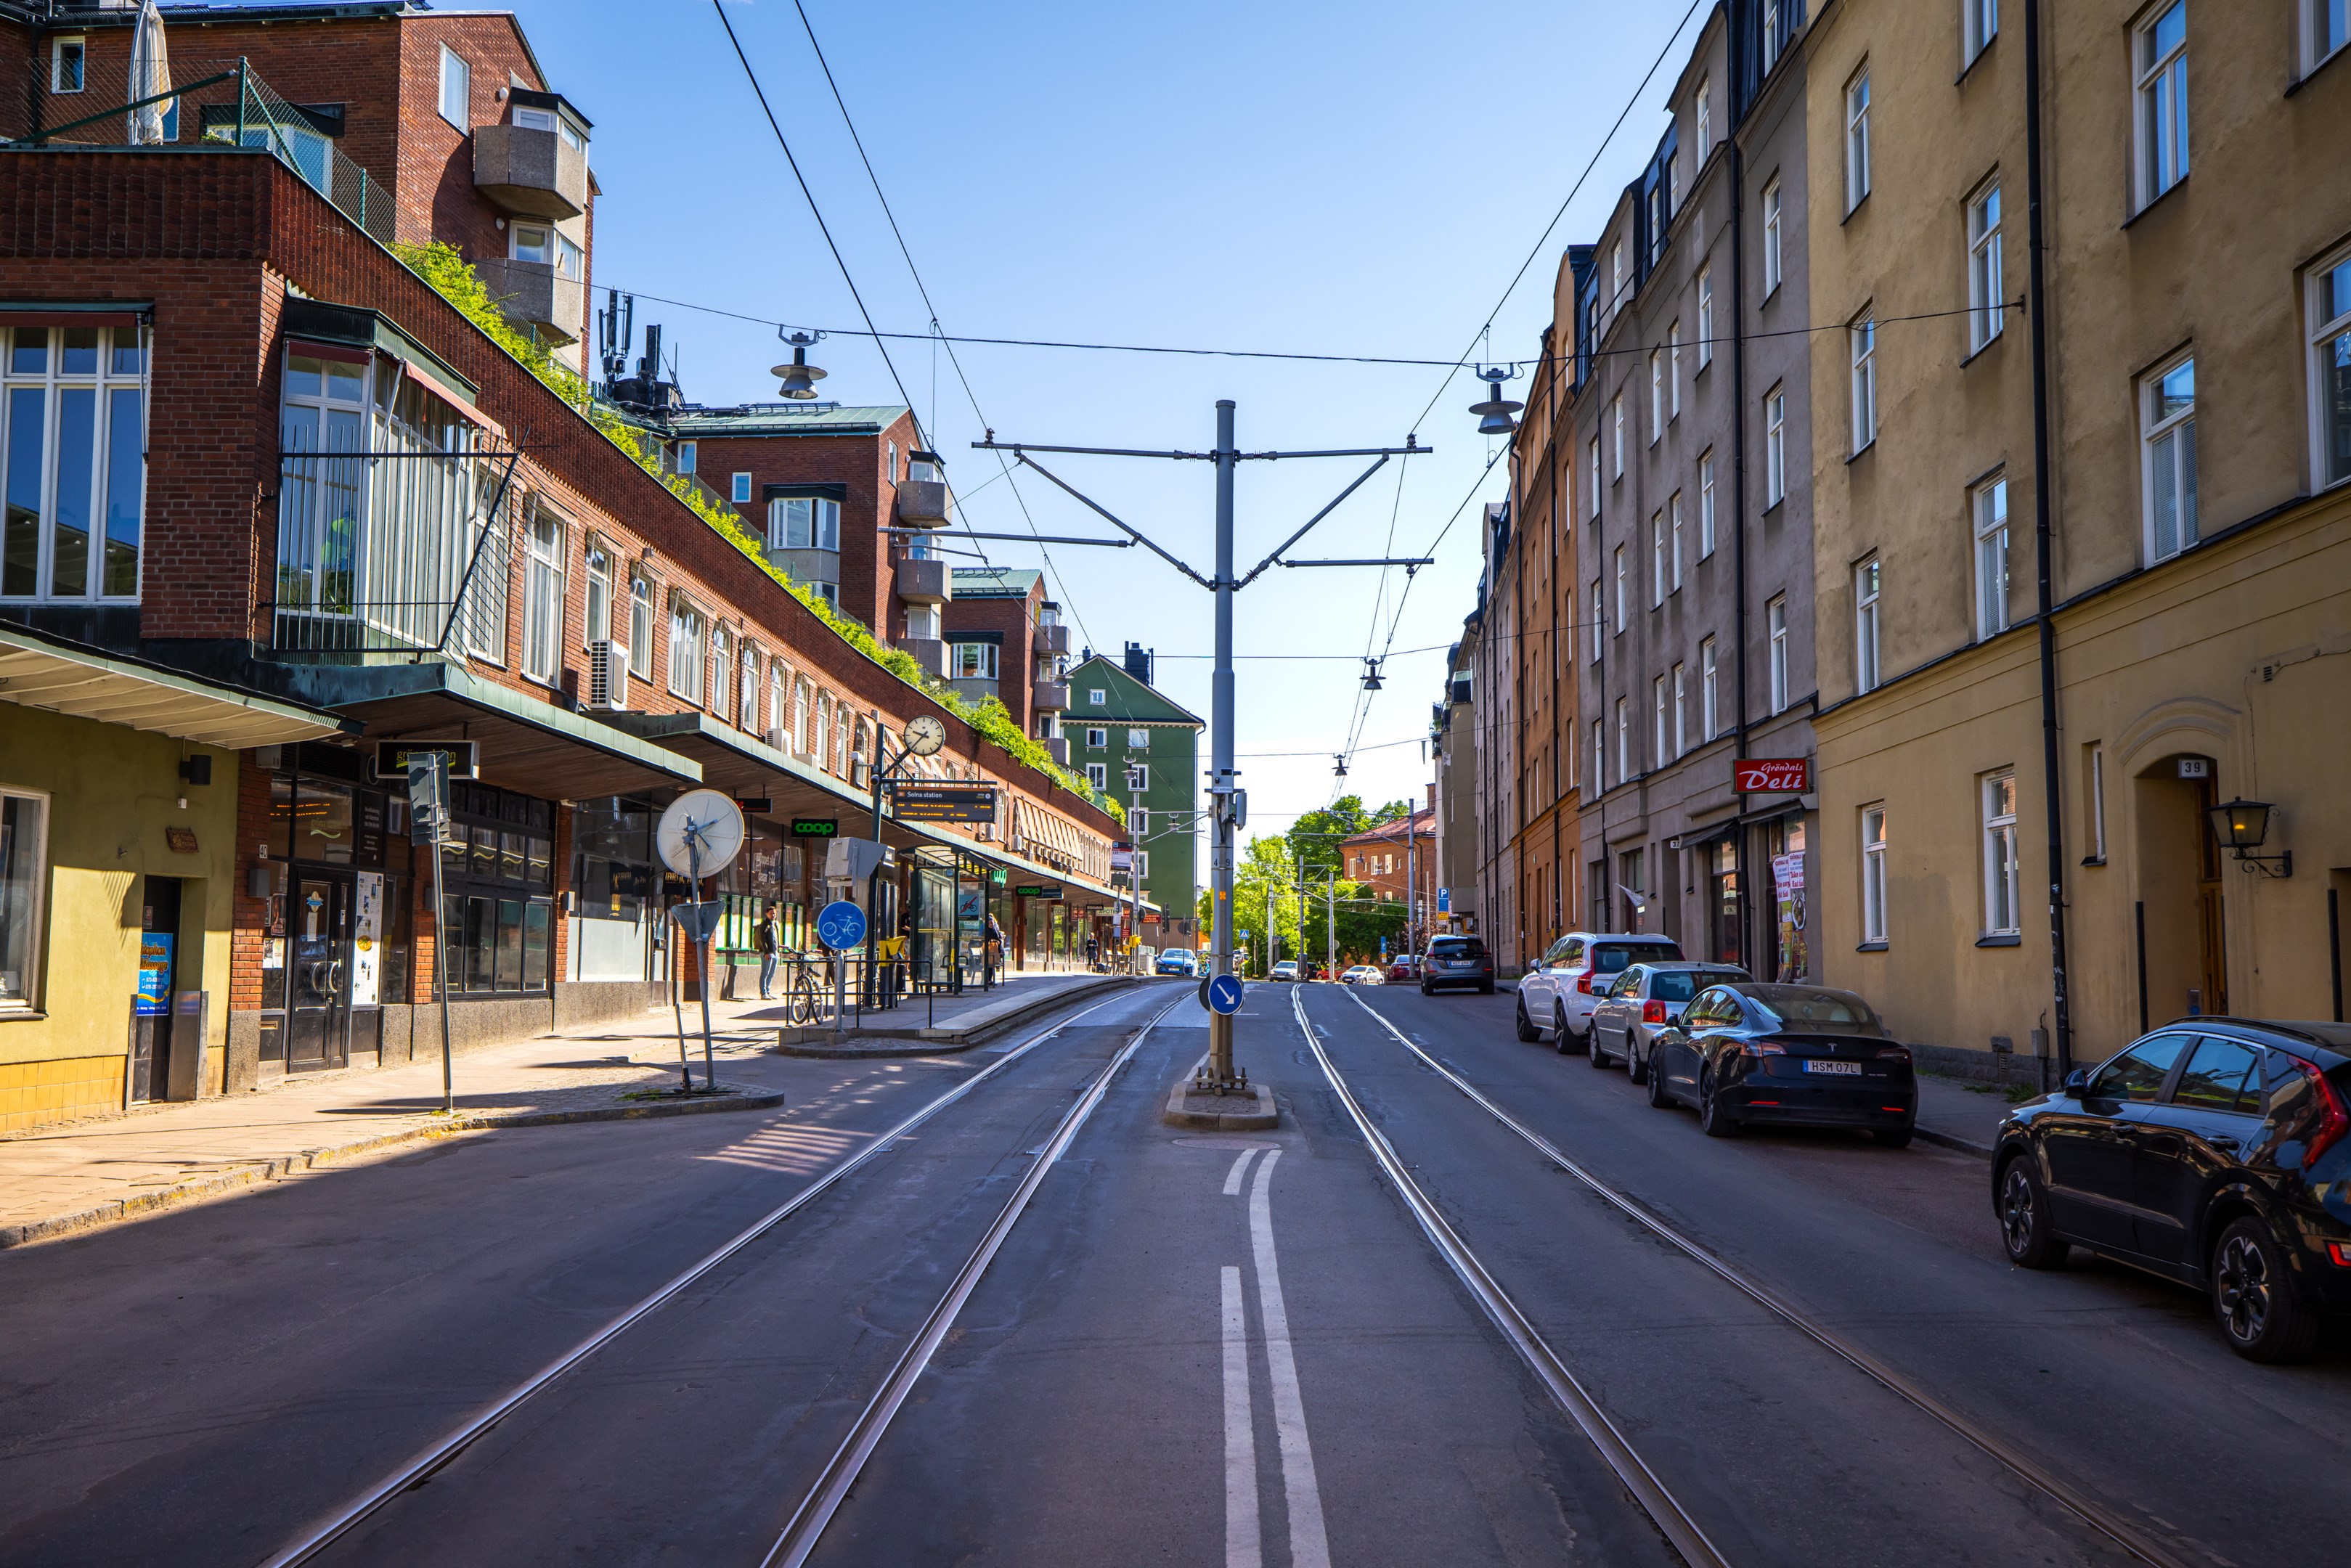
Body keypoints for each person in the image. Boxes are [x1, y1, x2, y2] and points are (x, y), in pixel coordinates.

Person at [755, 902, 780, 1000]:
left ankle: (768, 991)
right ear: (767, 914)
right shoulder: (764, 925)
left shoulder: (775, 924)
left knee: (771, 973)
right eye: (771, 913)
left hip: (775, 953)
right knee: (765, 973)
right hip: (767, 953)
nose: (773, 915)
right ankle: (763, 993)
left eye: (774, 913)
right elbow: (762, 939)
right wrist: (766, 952)